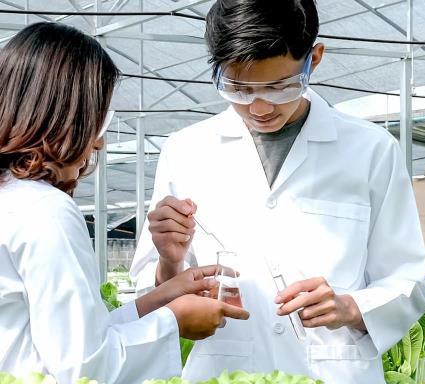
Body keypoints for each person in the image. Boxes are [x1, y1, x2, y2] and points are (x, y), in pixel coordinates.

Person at [129, 0, 425, 382]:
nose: (258, 107)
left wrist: (351, 307)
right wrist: (168, 262)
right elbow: (151, 292)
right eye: (238, 88)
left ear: (314, 59)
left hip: (333, 371)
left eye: (279, 87)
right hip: (224, 370)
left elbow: (408, 280)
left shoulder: (370, 150)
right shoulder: (186, 150)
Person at [0, 22, 249, 384]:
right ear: (68, 116)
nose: (98, 143)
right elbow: (84, 368)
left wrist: (161, 297)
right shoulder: (45, 212)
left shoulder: (12, 198)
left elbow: (71, 338)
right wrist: (174, 321)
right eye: (98, 118)